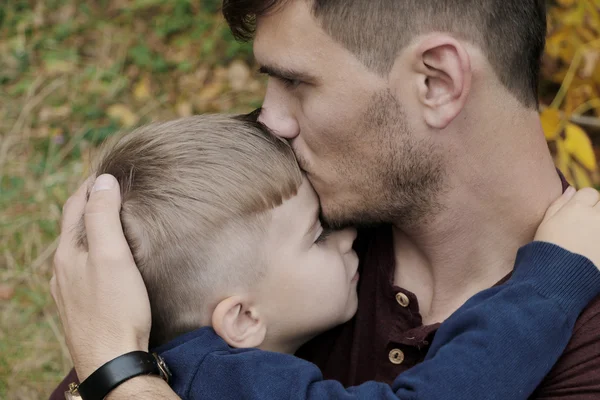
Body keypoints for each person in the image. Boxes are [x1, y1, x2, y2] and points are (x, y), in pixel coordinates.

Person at [51, 0, 600, 398]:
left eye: (296, 82)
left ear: (437, 81)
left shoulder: (585, 352)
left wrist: (117, 368)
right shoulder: (279, 226)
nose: (269, 118)